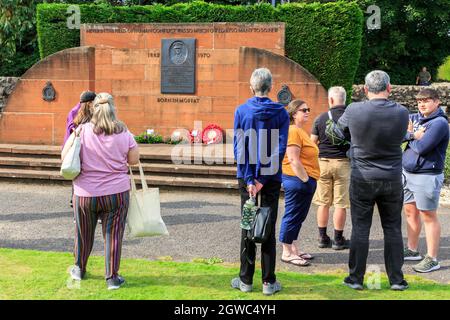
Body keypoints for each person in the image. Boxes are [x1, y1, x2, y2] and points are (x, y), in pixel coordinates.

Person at [337, 70, 410, 291]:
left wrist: (353, 143)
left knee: (360, 228)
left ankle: (356, 278)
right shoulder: (402, 112)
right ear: (389, 88)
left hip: (362, 176)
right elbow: (401, 137)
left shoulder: (354, 109)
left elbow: (336, 133)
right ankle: (396, 280)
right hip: (391, 177)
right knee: (393, 228)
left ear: (365, 90)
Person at [62, 92, 140, 290]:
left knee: (82, 233)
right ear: (113, 108)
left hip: (85, 193)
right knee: (113, 235)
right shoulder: (124, 132)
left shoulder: (81, 130)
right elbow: (133, 160)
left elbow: (65, 155)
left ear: (94, 109)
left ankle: (79, 268)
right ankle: (112, 278)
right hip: (116, 193)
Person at [232, 68, 289, 295]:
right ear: (271, 87)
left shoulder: (242, 111)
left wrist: (250, 179)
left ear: (251, 86)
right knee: (267, 226)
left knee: (248, 225)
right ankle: (268, 282)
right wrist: (262, 179)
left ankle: (245, 280)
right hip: (270, 178)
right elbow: (279, 148)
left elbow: (239, 147)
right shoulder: (281, 113)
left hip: (249, 178)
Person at [402, 88, 449, 272]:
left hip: (426, 175)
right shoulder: (415, 118)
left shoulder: (439, 123)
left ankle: (433, 258)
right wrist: (412, 134)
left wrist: (411, 136)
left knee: (428, 216)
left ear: (437, 102)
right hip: (407, 173)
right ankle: (413, 250)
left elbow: (422, 147)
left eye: (427, 100)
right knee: (409, 212)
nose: (422, 104)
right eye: (419, 101)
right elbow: (399, 135)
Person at [279, 99, 320, 267]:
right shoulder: (293, 131)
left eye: (308, 109)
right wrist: (305, 179)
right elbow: (293, 159)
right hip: (297, 180)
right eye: (304, 110)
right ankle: (287, 252)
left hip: (305, 180)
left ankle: (294, 247)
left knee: (299, 216)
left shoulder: (300, 131)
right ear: (294, 113)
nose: (307, 112)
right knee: (292, 215)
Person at [311, 86, 351, 250]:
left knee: (323, 202)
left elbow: (312, 143)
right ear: (344, 99)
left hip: (323, 163)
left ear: (331, 100)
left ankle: (322, 237)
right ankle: (338, 239)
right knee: (340, 203)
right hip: (343, 163)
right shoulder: (351, 119)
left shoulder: (320, 119)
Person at [63, 91, 96, 208]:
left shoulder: (74, 113)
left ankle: (75, 201)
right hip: (89, 151)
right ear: (91, 102)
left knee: (77, 174)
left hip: (76, 150)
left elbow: (69, 132)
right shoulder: (94, 116)